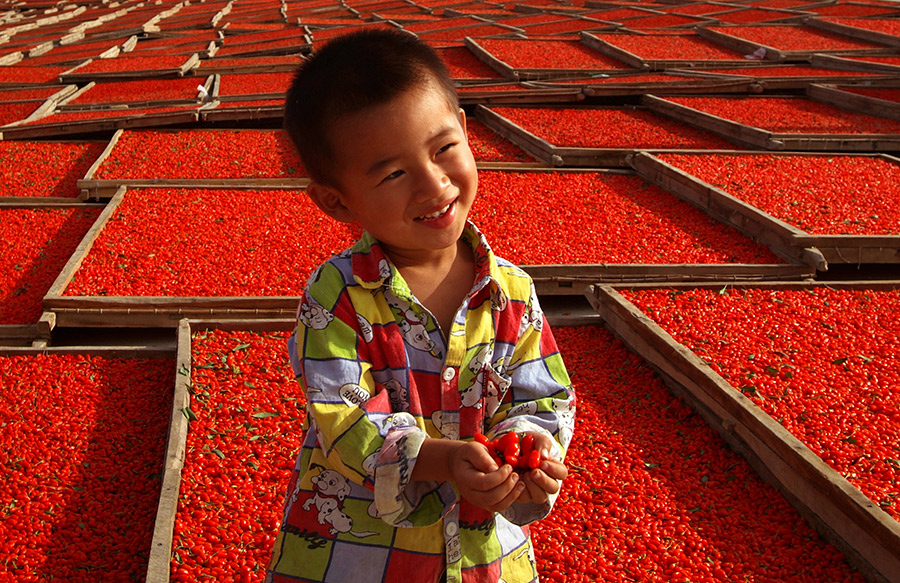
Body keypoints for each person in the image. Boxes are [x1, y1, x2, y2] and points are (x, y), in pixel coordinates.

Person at [267, 28, 576, 583]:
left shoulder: (512, 291)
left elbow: (544, 393)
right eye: (392, 173)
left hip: (486, 552)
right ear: (336, 200)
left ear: (464, 128)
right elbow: (343, 417)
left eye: (443, 149)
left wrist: (532, 449)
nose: (433, 185)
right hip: (358, 553)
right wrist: (442, 459)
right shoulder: (336, 295)